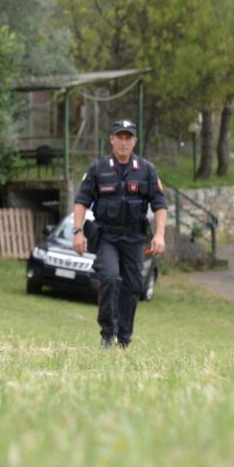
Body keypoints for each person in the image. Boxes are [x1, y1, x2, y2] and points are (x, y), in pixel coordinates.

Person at [72, 119, 167, 349]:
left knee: (133, 286)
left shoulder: (146, 170)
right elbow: (81, 201)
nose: (123, 142)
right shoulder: (98, 168)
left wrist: (160, 235)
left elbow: (160, 204)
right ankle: (107, 334)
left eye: (128, 138)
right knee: (110, 277)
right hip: (107, 237)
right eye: (119, 137)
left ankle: (124, 339)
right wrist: (77, 231)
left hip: (134, 238)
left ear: (134, 141)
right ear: (112, 139)